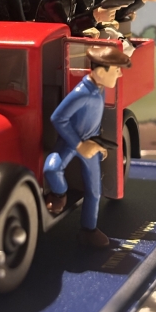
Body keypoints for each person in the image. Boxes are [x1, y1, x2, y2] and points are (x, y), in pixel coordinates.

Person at [43, 45, 131, 248]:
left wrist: (98, 143)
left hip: (91, 142)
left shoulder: (100, 89)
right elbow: (58, 118)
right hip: (71, 141)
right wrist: (79, 145)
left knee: (94, 189)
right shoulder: (82, 93)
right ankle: (59, 194)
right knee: (52, 168)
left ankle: (89, 229)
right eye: (116, 70)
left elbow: (93, 121)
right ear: (100, 72)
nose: (120, 74)